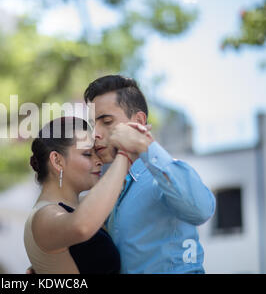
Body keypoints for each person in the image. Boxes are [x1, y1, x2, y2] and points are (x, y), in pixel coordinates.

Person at [84, 74, 216, 273]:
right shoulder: (111, 188)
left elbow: (202, 210)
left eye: (107, 121)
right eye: (93, 125)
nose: (95, 134)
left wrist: (143, 144)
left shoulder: (166, 176)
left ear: (138, 121)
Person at [24, 116, 149, 274]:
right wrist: (124, 155)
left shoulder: (79, 206)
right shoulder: (44, 216)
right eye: (88, 154)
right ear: (57, 160)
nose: (99, 161)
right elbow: (81, 226)